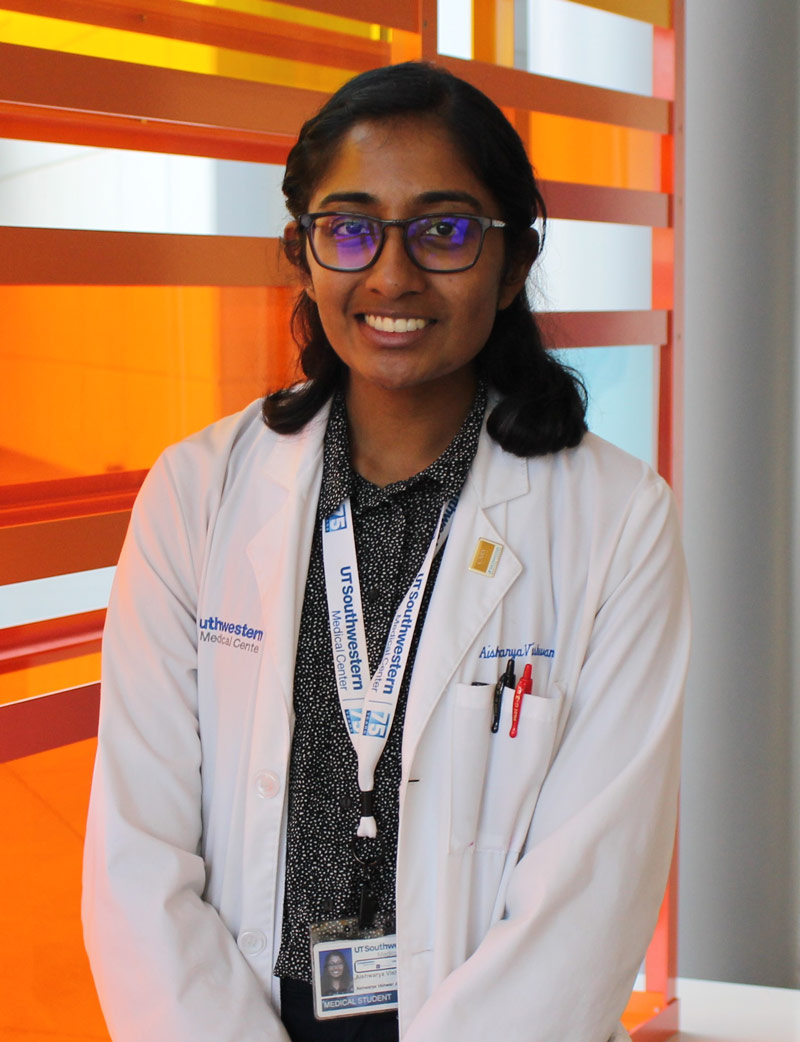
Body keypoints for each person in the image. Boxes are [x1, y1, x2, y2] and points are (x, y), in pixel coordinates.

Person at [82, 61, 690, 1042]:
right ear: (302, 252)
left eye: (444, 230)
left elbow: (592, 880)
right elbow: (136, 848)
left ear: (513, 260)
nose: (392, 274)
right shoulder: (198, 491)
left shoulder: (616, 517)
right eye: (351, 227)